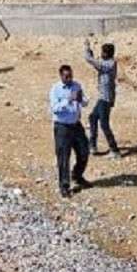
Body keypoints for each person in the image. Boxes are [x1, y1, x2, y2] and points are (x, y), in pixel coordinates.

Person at [50, 64, 92, 198]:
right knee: (63, 157)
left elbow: (84, 102)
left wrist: (82, 99)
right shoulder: (55, 89)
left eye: (70, 76)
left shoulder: (77, 85)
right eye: (66, 76)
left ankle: (77, 175)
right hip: (62, 127)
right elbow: (55, 108)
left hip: (76, 125)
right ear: (61, 76)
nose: (69, 78)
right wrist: (68, 100)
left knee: (84, 150)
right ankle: (64, 186)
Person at [85, 39, 121, 159]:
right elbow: (95, 62)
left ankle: (114, 150)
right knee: (93, 117)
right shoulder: (108, 63)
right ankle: (92, 145)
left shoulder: (109, 64)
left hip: (105, 98)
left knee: (104, 124)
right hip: (103, 97)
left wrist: (87, 48)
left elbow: (90, 60)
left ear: (107, 54)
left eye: (103, 52)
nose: (101, 54)